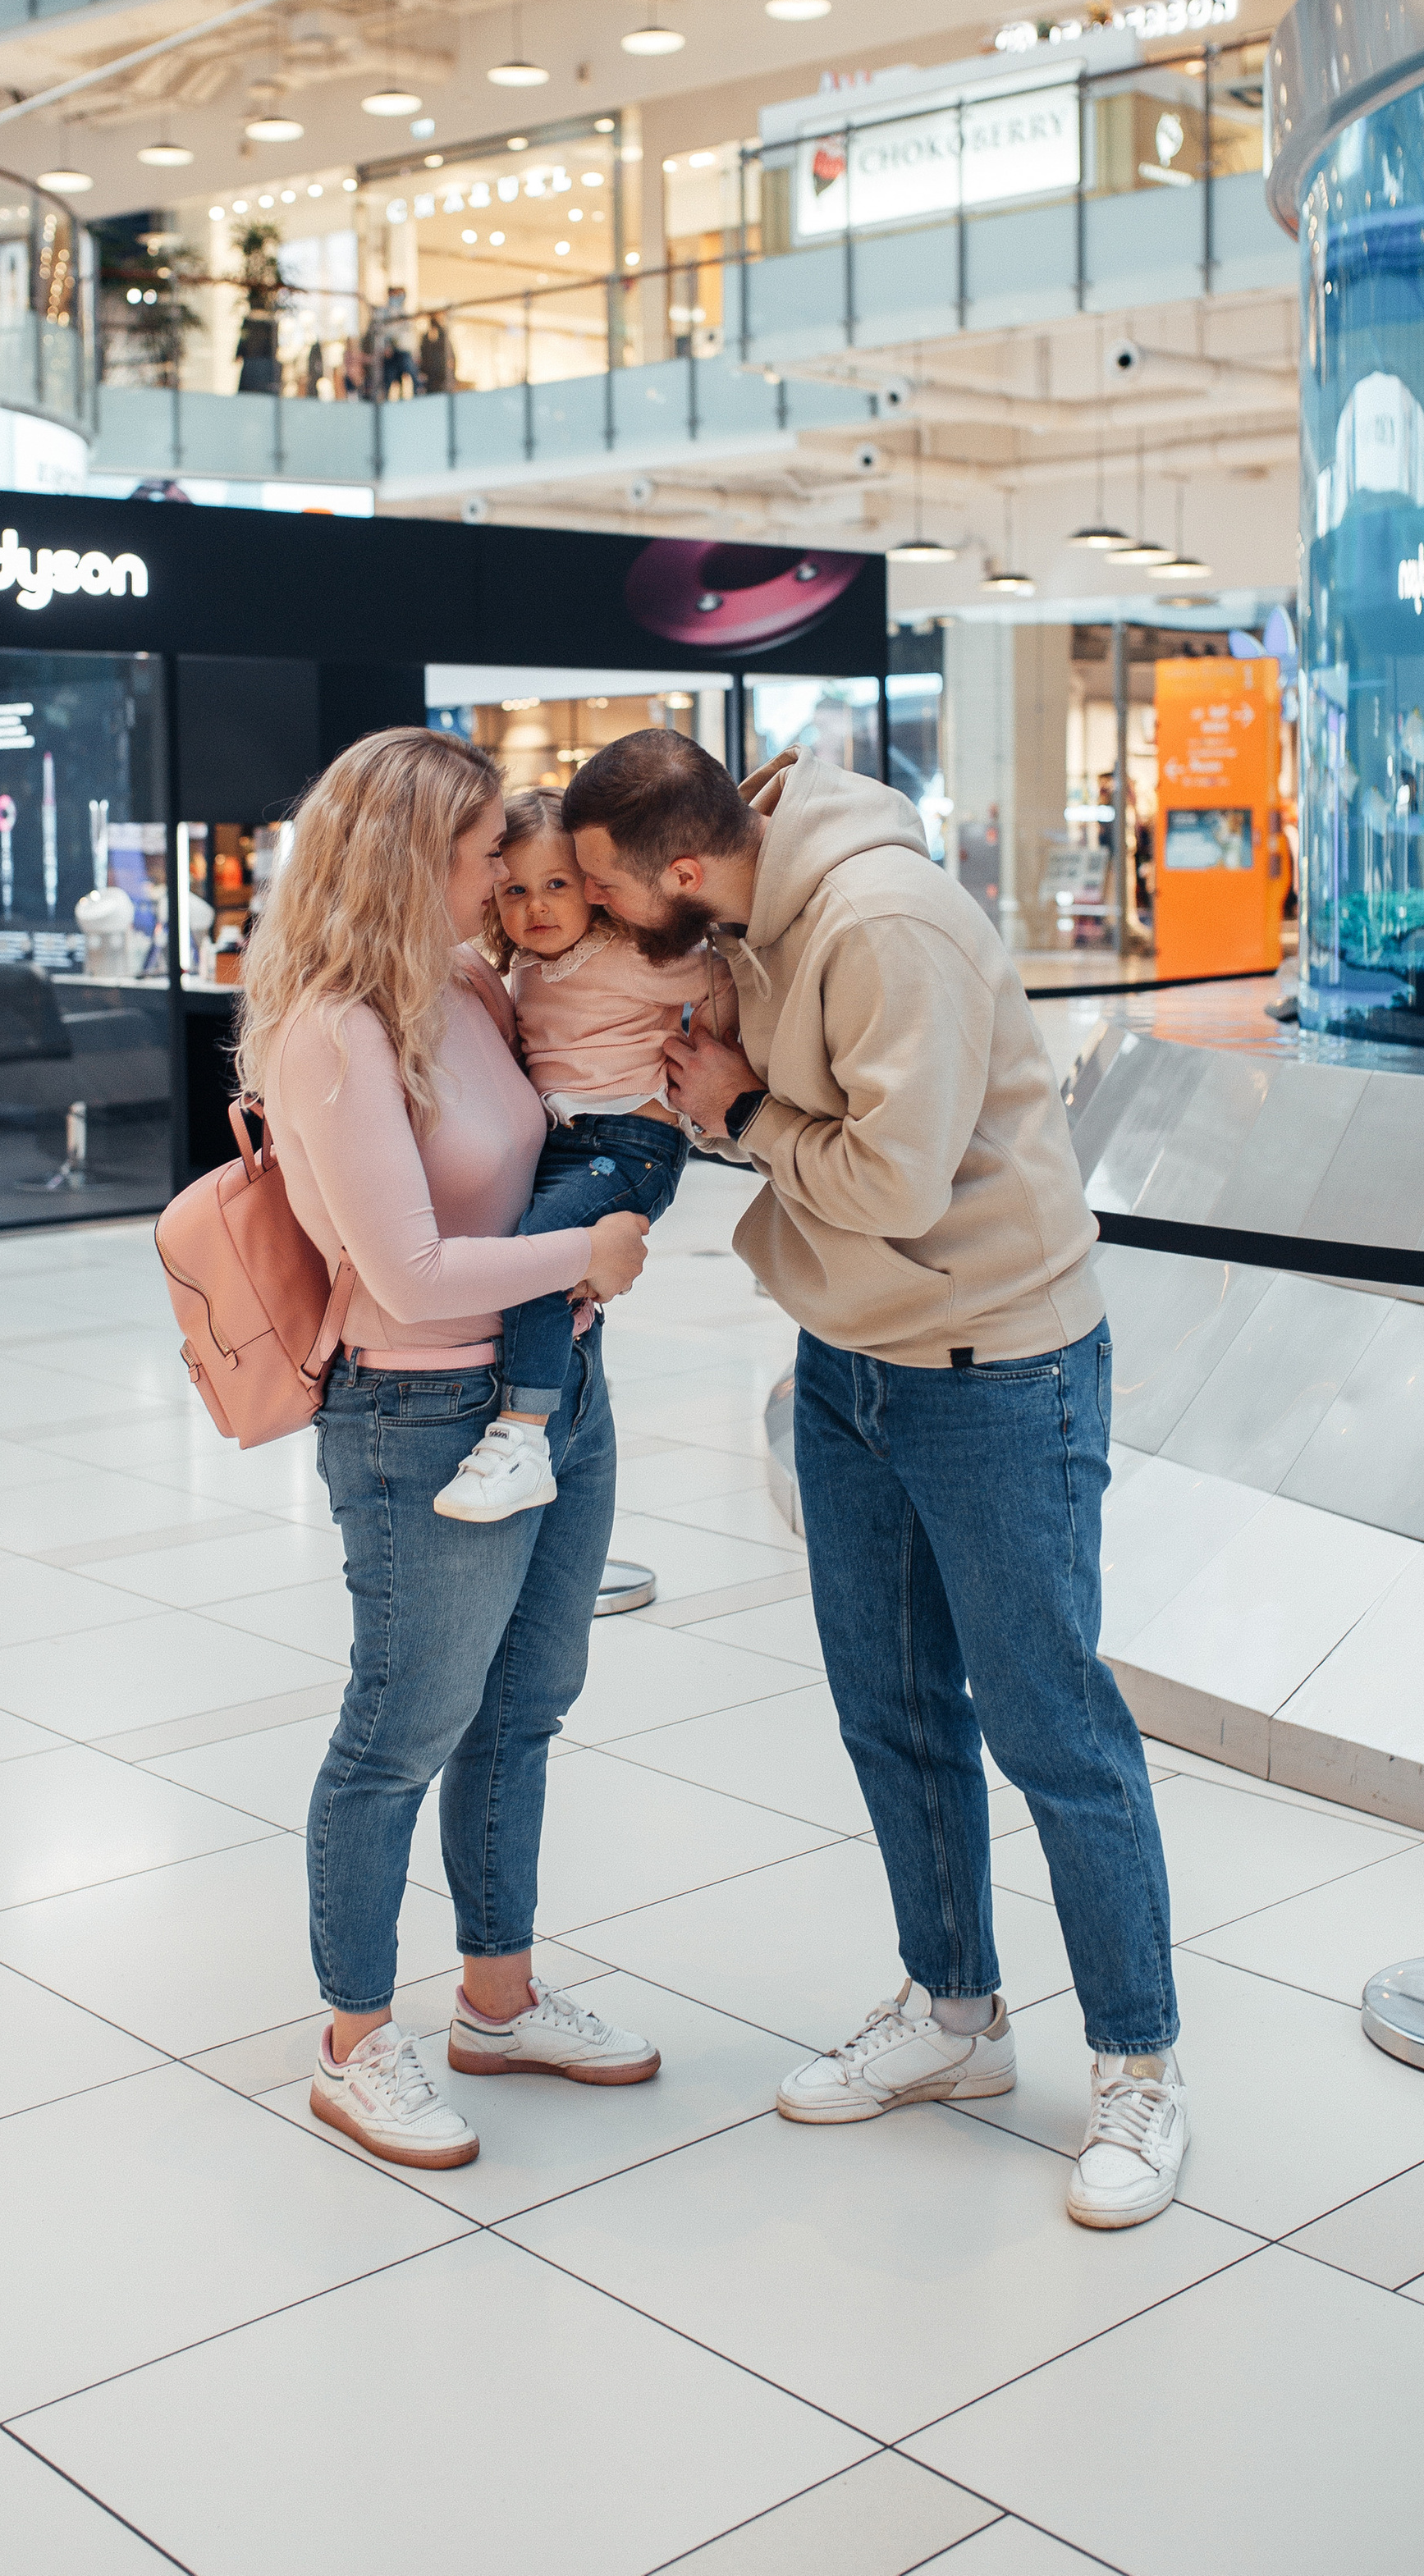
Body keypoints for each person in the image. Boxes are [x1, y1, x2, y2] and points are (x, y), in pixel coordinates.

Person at [560, 728, 1189, 2232]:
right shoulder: (748, 912)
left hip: (991, 1366)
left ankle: (1139, 2064)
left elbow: (894, 1188)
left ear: (691, 870)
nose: (590, 914)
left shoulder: (877, 924)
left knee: (1052, 1727)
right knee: (893, 1710)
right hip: (851, 1358)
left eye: (602, 890)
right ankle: (957, 2012)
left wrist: (734, 1110)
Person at [242, 727, 660, 2173]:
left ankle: (498, 1998)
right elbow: (410, 1274)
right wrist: (583, 1247)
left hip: (558, 1392)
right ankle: (356, 2040)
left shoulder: (468, 986)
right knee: (399, 1734)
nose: (511, 876)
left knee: (526, 1703)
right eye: (488, 850)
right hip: (424, 1420)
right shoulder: (336, 1033)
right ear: (418, 854)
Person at [433, 789, 732, 1524]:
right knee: (546, 1273)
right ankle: (550, 1405)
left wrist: (717, 1059)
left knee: (542, 1253)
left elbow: (725, 971)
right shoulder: (520, 971)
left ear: (595, 891)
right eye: (514, 891)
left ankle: (524, 1437)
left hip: (633, 1144)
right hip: (567, 1146)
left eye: (556, 885)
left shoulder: (633, 954)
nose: (536, 906)